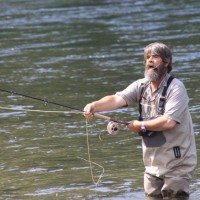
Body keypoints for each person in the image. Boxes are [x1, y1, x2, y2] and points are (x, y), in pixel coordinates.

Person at [83, 42, 197, 199]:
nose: (150, 60)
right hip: (152, 164)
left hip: (178, 162)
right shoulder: (141, 85)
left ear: (167, 61)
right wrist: (94, 106)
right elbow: (117, 99)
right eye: (147, 57)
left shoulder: (176, 88)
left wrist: (140, 125)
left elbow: (168, 122)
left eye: (155, 56)